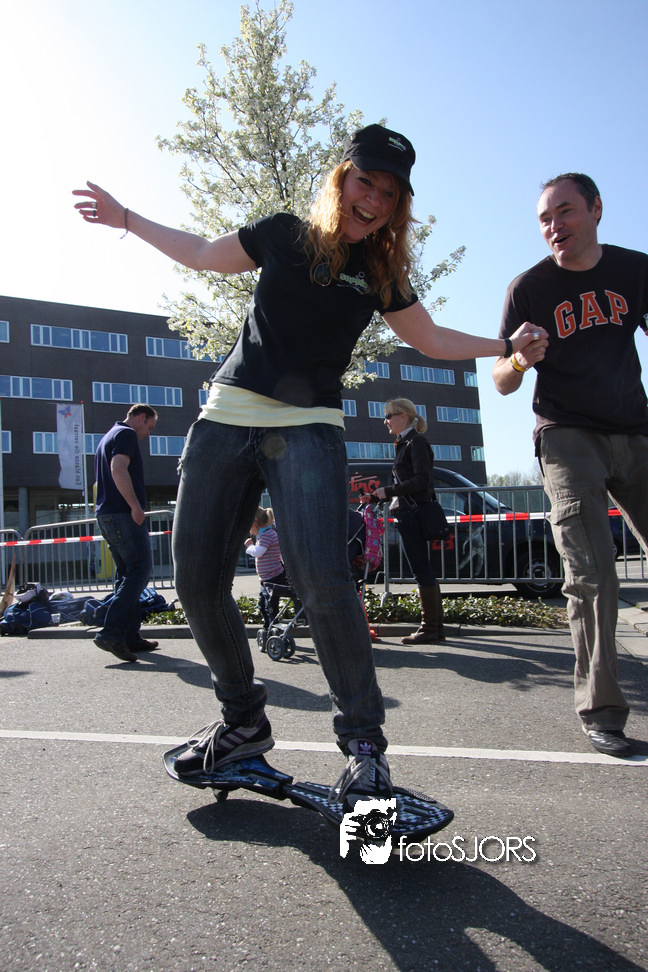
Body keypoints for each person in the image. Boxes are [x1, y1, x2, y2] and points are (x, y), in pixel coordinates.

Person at [73, 123, 541, 810]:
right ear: (341, 178)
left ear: (398, 205)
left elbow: (432, 338)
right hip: (226, 419)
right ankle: (242, 725)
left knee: (323, 580)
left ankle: (365, 752)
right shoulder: (284, 234)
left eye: (388, 194)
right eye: (364, 182)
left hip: (309, 430)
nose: (372, 200)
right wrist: (126, 219)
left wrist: (508, 345)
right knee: (196, 580)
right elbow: (201, 254)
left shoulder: (380, 272)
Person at [493, 172, 648, 759]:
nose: (554, 226)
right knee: (592, 572)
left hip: (635, 428)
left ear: (596, 209)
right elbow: (501, 380)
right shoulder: (528, 288)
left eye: (565, 212)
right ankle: (602, 711)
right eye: (544, 218)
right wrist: (518, 360)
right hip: (566, 436)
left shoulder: (636, 271)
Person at [361, 398, 444, 644]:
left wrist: (388, 490)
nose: (385, 421)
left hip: (413, 515)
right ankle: (436, 628)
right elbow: (409, 484)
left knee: (421, 569)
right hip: (410, 512)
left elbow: (421, 480)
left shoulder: (416, 442)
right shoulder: (406, 443)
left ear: (403, 416)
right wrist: (377, 496)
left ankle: (430, 628)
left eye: (389, 416)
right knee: (423, 569)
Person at [93, 404, 159, 663]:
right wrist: (135, 506)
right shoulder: (127, 434)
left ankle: (129, 636)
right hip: (123, 514)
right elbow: (118, 468)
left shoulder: (108, 436)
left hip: (107, 515)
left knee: (125, 575)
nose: (148, 434)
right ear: (140, 417)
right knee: (139, 572)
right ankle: (111, 633)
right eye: (149, 427)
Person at [244, 507, 288, 633]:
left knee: (270, 606)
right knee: (263, 605)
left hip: (273, 577)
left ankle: (272, 627)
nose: (251, 532)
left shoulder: (267, 535)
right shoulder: (265, 534)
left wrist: (249, 546)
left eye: (250, 527)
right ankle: (268, 626)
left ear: (256, 523)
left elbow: (259, 552)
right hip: (267, 578)